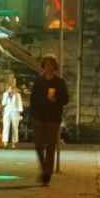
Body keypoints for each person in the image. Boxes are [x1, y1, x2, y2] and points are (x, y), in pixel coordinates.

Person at [29, 56, 69, 185]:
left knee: (51, 146)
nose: (48, 67)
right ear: (43, 66)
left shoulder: (59, 82)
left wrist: (55, 99)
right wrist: (33, 114)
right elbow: (33, 99)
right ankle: (44, 168)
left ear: (54, 67)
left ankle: (47, 174)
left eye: (51, 64)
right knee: (38, 145)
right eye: (46, 64)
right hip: (39, 117)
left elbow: (65, 99)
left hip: (53, 117)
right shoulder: (38, 82)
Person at [1, 82, 23, 149]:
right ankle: (5, 142)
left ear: (14, 89)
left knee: (15, 127)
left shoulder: (18, 95)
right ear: (8, 89)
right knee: (6, 127)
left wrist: (20, 113)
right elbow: (3, 103)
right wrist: (7, 95)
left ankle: (14, 143)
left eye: (12, 88)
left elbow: (20, 104)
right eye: (9, 88)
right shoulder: (5, 94)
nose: (11, 90)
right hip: (7, 112)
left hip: (15, 112)